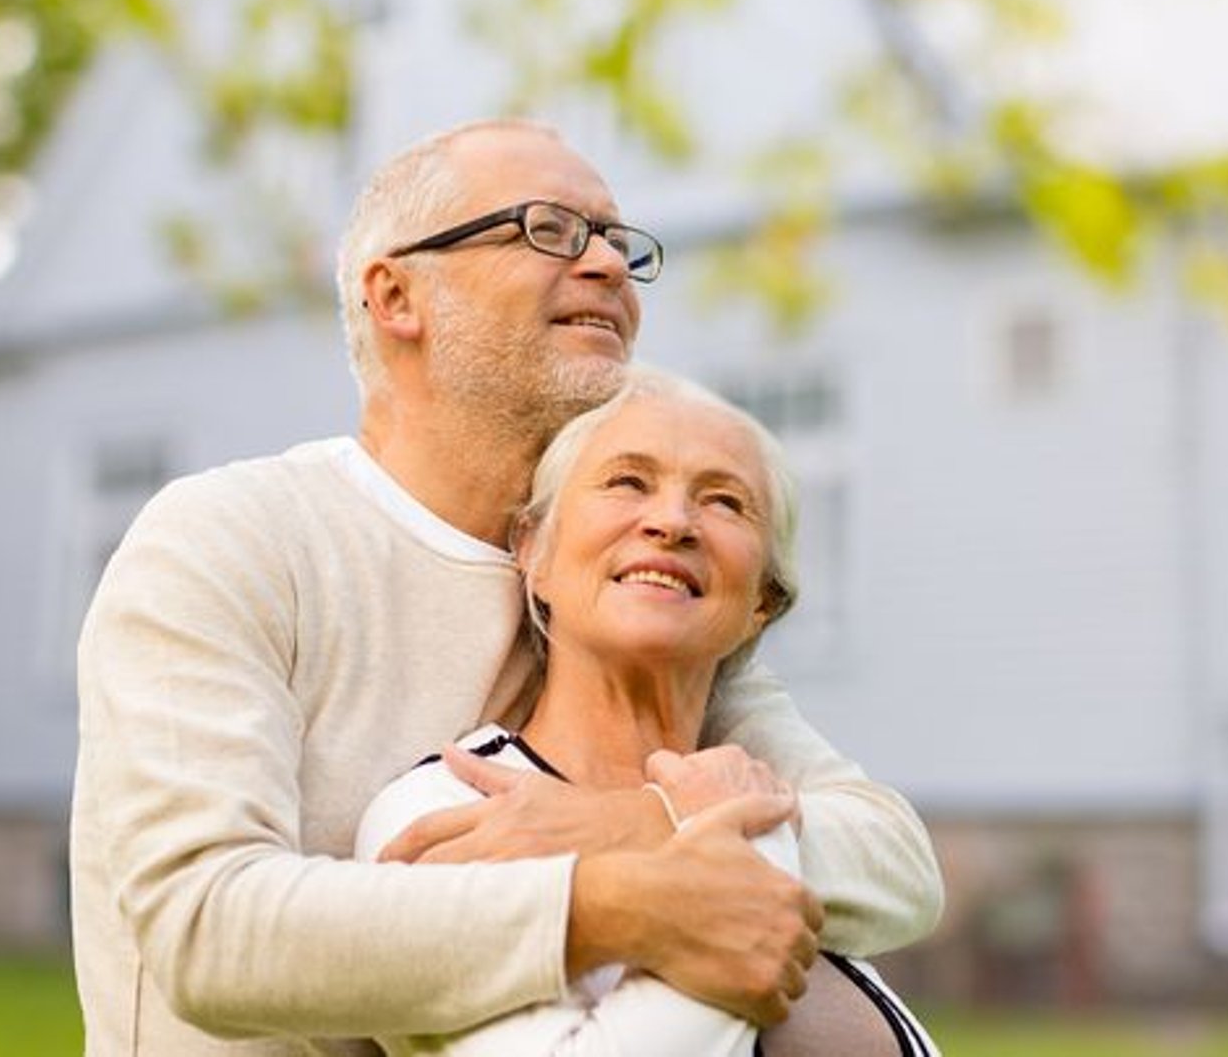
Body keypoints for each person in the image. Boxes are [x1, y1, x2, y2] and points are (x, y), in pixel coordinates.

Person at [70, 119, 943, 1055]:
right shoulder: (234, 539)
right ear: (397, 294)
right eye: (548, 229)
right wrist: (614, 902)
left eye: (616, 239)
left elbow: (891, 859)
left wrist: (633, 823)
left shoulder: (618, 592)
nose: (608, 263)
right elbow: (206, 930)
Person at [356, 367, 938, 1055]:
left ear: (763, 604)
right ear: (533, 552)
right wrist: (738, 847)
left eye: (724, 502)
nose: (671, 523)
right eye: (627, 482)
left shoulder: (757, 793)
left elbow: (907, 878)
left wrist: (676, 824)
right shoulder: (447, 807)